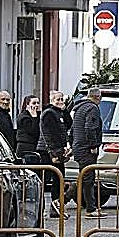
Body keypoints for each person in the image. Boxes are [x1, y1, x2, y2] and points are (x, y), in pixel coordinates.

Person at [37, 90, 73, 219]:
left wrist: (65, 110)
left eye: (61, 99)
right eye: (57, 99)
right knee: (50, 179)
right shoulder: (49, 114)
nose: (60, 102)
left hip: (57, 149)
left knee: (59, 179)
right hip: (48, 151)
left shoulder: (59, 113)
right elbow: (50, 135)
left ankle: (56, 206)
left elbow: (69, 124)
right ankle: (46, 207)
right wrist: (53, 152)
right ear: (52, 100)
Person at [71, 88, 105, 219]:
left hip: (79, 147)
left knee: (85, 177)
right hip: (86, 149)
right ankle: (89, 208)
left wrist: (72, 143)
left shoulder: (80, 108)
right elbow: (90, 128)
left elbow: (73, 129)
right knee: (88, 179)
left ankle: (91, 207)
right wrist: (93, 145)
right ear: (98, 97)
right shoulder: (93, 108)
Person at [16, 95, 41, 159]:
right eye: (34, 103)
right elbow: (33, 130)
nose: (36, 105)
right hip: (25, 146)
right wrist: (34, 116)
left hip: (34, 145)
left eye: (38, 103)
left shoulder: (39, 115)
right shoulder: (23, 117)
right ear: (27, 105)